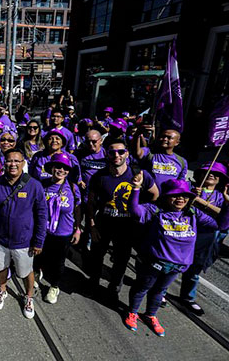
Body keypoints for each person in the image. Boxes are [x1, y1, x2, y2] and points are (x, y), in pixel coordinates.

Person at [125, 177, 229, 336]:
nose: (180, 198)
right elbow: (135, 211)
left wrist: (227, 205)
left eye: (185, 195)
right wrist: (136, 189)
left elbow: (221, 225)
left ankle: (150, 315)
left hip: (176, 266)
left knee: (160, 291)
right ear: (166, 197)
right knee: (142, 288)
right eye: (175, 195)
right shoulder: (155, 210)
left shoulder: (194, 214)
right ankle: (132, 312)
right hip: (153, 263)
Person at [87, 140, 159, 299]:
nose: (116, 155)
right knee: (97, 257)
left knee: (121, 261)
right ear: (107, 154)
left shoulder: (139, 174)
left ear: (127, 153)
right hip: (103, 224)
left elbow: (155, 195)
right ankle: (93, 282)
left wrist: (142, 211)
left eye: (120, 152)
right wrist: (92, 225)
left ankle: (113, 290)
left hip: (127, 228)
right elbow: (91, 203)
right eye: (112, 152)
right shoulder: (99, 176)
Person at [0, 148, 47, 318]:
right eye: (9, 161)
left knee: (26, 272)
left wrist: (39, 241)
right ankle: (2, 290)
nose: (13, 164)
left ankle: (29, 297)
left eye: (17, 161)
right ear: (4, 163)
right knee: (1, 266)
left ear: (23, 163)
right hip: (0, 239)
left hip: (24, 241)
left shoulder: (34, 185)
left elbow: (42, 215)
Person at [179, 162, 229, 314]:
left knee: (194, 271)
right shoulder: (188, 188)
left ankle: (187, 297)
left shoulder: (221, 197)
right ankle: (159, 292)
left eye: (216, 174)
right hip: (185, 234)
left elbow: (223, 220)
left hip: (206, 239)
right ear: (199, 175)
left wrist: (202, 202)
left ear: (220, 180)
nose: (212, 175)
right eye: (208, 172)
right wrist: (191, 195)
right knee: (174, 265)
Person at [35, 153, 82, 304]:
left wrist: (78, 229)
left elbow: (78, 209)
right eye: (58, 166)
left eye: (65, 167)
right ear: (51, 168)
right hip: (43, 231)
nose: (61, 170)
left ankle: (54, 286)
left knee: (58, 262)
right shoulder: (42, 184)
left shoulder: (73, 188)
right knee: (38, 257)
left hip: (63, 233)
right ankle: (36, 274)